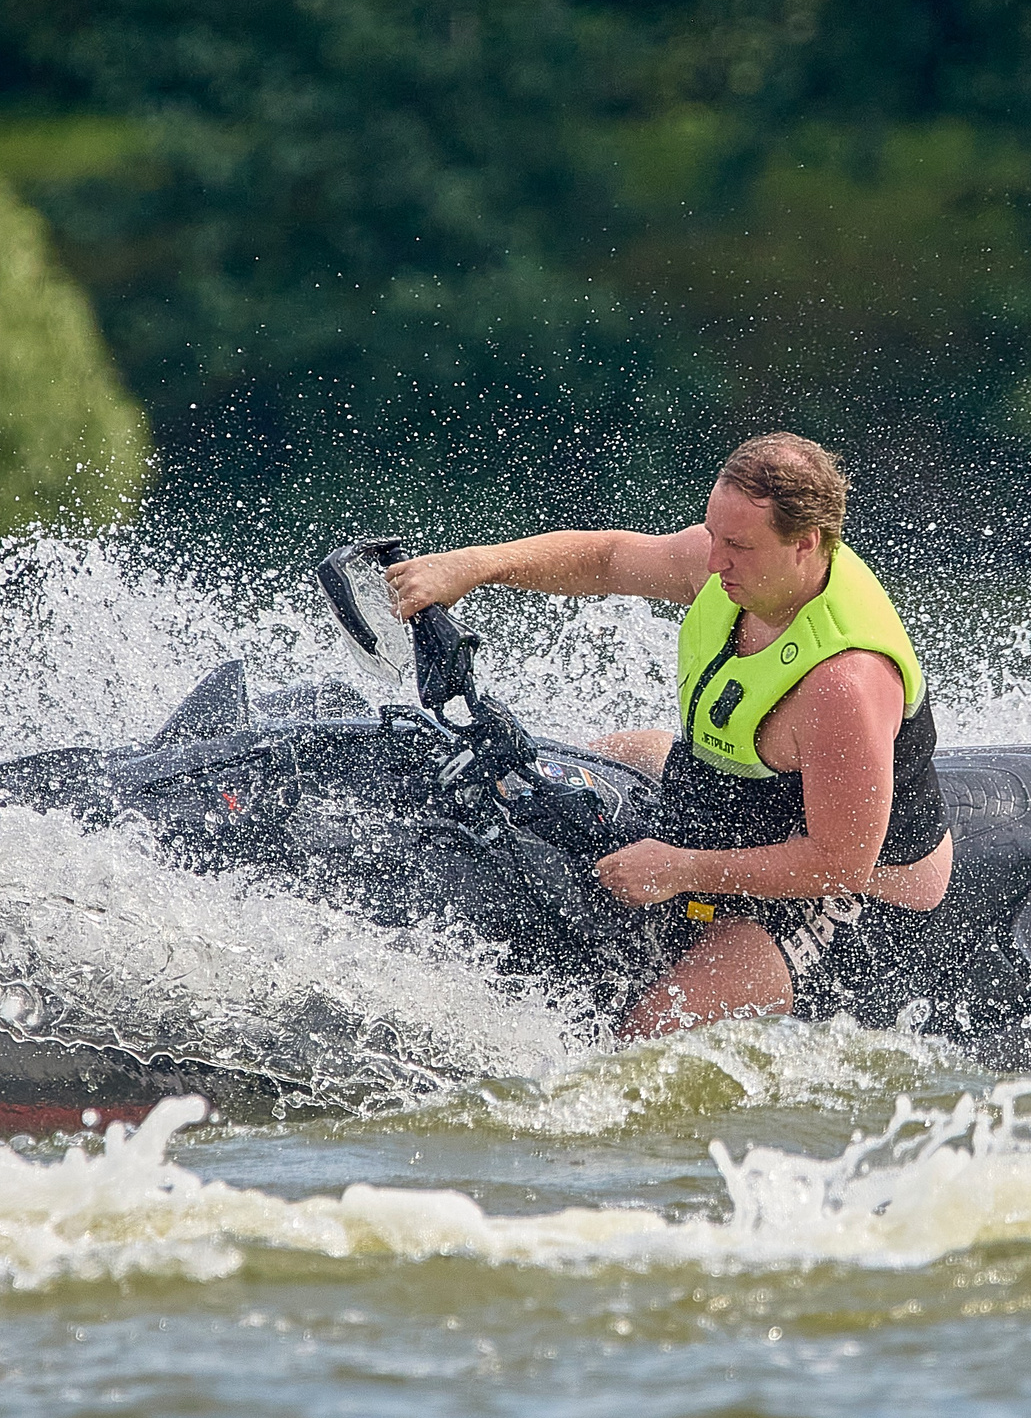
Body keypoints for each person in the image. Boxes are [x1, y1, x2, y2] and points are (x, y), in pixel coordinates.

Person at [384, 432, 952, 1038]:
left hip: (855, 892)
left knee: (637, 1044)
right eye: (713, 534)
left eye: (737, 546)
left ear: (805, 543)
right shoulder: (732, 566)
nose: (714, 561)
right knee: (591, 761)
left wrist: (682, 869)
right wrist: (472, 567)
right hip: (744, 806)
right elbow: (607, 559)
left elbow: (837, 864)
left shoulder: (844, 684)